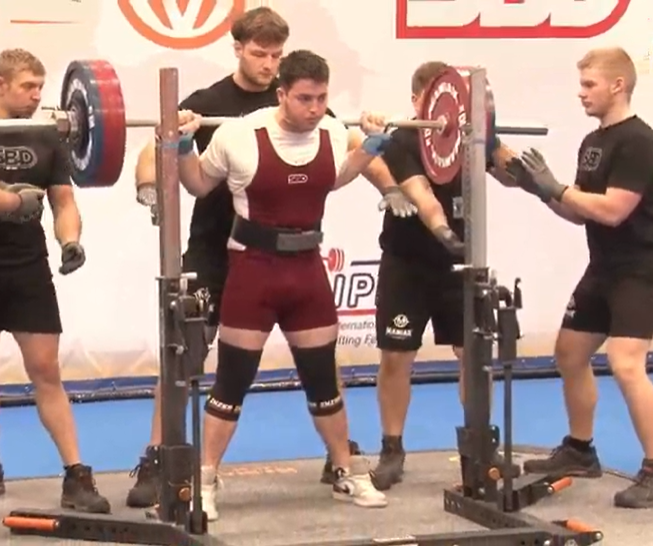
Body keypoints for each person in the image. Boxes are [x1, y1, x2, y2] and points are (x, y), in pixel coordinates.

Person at [131, 7, 413, 508]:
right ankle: (163, 460)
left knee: (322, 371)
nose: (267, 63)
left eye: (275, 55)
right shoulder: (214, 108)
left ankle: (341, 463)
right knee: (189, 355)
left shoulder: (322, 120)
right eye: (259, 54)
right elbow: (166, 159)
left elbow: (342, 166)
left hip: (301, 261)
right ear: (240, 50)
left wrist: (385, 175)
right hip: (223, 251)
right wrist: (156, 176)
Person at [369, 61, 526, 490]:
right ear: (417, 101)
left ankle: (481, 444)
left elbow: (510, 177)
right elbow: (423, 196)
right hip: (408, 263)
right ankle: (392, 448)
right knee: (396, 357)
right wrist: (442, 231)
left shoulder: (471, 136)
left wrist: (514, 161)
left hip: (461, 265)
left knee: (473, 354)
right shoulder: (402, 139)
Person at [509, 47, 653, 509]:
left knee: (626, 363)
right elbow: (579, 212)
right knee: (570, 353)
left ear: (618, 85)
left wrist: (558, 187)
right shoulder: (593, 142)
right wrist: (540, 190)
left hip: (641, 270)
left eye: (590, 84)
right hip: (603, 269)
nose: (581, 93)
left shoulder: (638, 141)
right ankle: (580, 450)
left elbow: (612, 210)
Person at [0, 48, 110, 513]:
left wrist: (70, 241)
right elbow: (13, 201)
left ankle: (76, 475)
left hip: (27, 265)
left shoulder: (47, 135)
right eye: (28, 86)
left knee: (46, 370)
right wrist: (11, 202)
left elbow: (63, 201)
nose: (37, 95)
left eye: (41, 87)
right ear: (1, 85)